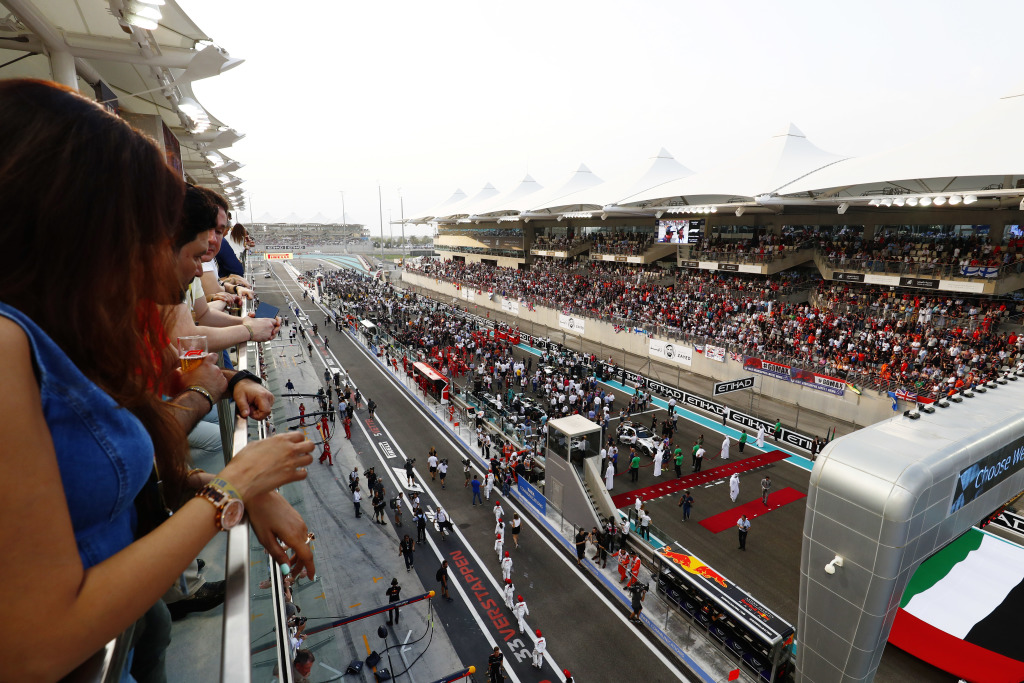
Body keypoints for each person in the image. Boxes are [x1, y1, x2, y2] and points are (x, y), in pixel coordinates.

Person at [0, 80, 315, 681]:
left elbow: (129, 482)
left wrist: (237, 488)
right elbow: (33, 647)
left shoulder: (59, 335)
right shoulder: (6, 342)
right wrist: (233, 485)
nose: (155, 250)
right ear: (72, 222)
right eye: (142, 226)